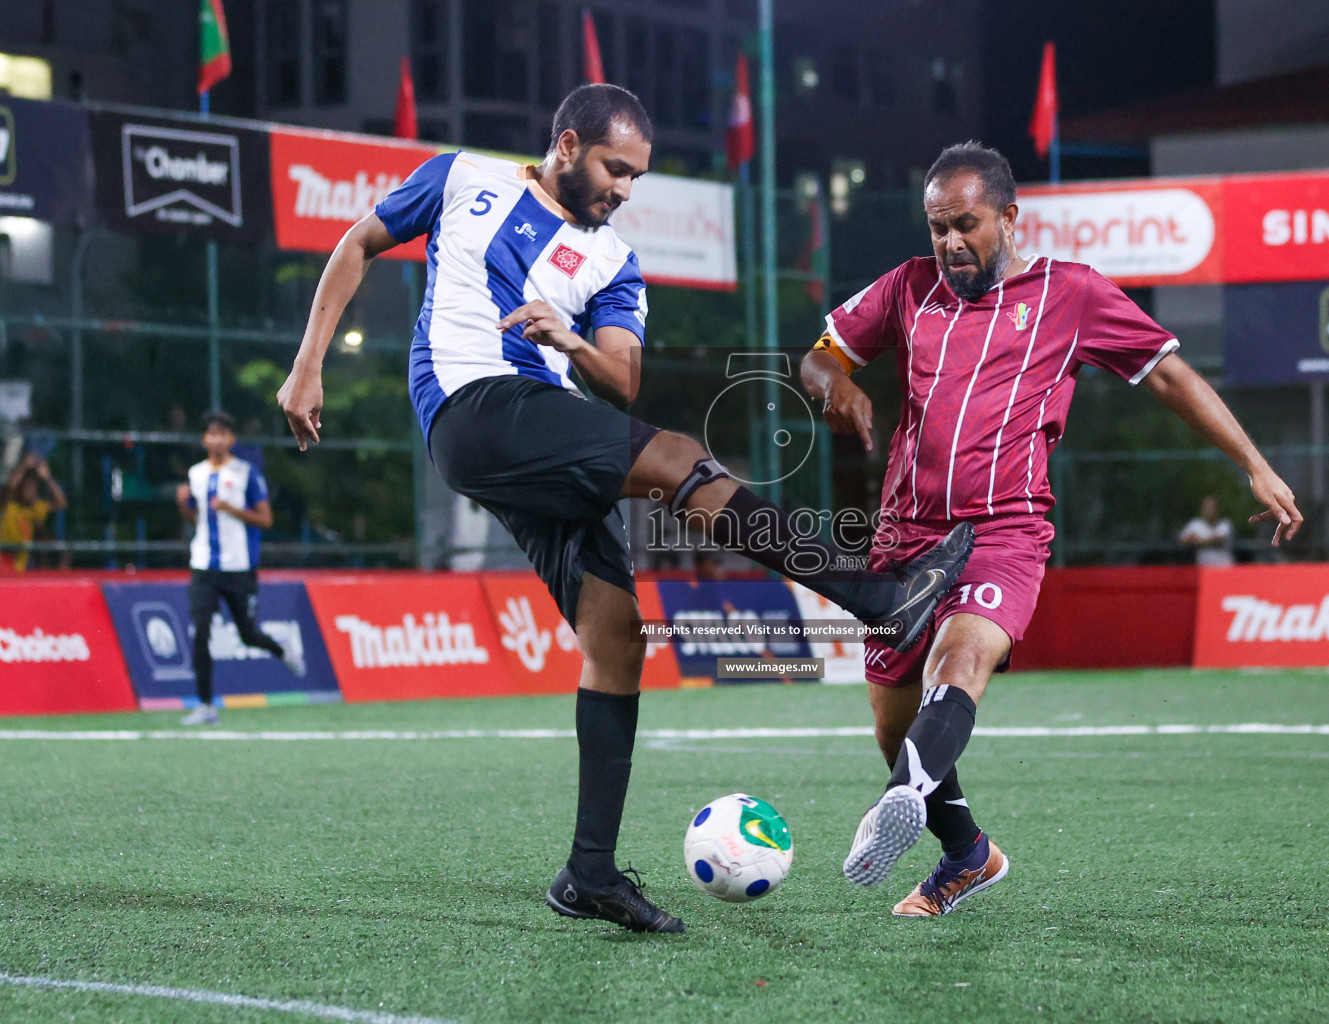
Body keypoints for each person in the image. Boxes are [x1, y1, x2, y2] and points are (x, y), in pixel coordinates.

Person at [276, 84, 971, 935]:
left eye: (637, 177)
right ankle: (873, 594)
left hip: (543, 421)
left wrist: (569, 341)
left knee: (616, 642)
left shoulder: (614, 261)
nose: (624, 190)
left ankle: (589, 873)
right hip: (472, 411)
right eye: (615, 169)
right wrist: (307, 364)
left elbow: (621, 376)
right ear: (567, 145)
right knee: (677, 456)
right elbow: (357, 244)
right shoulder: (460, 178)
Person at [800, 142, 1302, 917]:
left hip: (1006, 528)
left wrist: (1254, 466)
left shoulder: (1072, 295)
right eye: (937, 227)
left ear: (1008, 217)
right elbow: (821, 356)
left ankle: (900, 799)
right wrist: (834, 383)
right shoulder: (908, 287)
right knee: (894, 721)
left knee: (960, 658)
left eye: (965, 224)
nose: (950, 243)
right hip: (903, 538)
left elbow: (1169, 373)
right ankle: (968, 855)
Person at [176, 412, 305, 726]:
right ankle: (206, 704)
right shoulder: (195, 475)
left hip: (239, 567)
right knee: (200, 630)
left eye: (224, 434)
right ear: (204, 440)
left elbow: (265, 519)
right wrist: (183, 506)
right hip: (204, 565)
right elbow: (200, 520)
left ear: (231, 439)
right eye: (212, 434)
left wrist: (231, 509)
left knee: (247, 634)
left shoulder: (246, 473)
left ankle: (280, 648)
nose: (217, 440)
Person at [0, 451, 66, 572]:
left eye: (33, 488)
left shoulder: (36, 508)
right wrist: (23, 466)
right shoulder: (8, 506)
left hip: (18, 568)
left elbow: (61, 503)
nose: (31, 491)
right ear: (19, 489)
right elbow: (9, 488)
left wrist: (47, 478)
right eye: (27, 488)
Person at [1179, 495, 1235, 567]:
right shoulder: (1195, 524)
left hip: (1224, 568)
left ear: (1217, 509)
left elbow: (1218, 541)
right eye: (1207, 507)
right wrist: (1209, 541)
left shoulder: (1225, 524)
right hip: (1203, 570)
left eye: (1212, 507)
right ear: (1202, 509)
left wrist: (1196, 540)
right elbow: (1182, 541)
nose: (1209, 510)